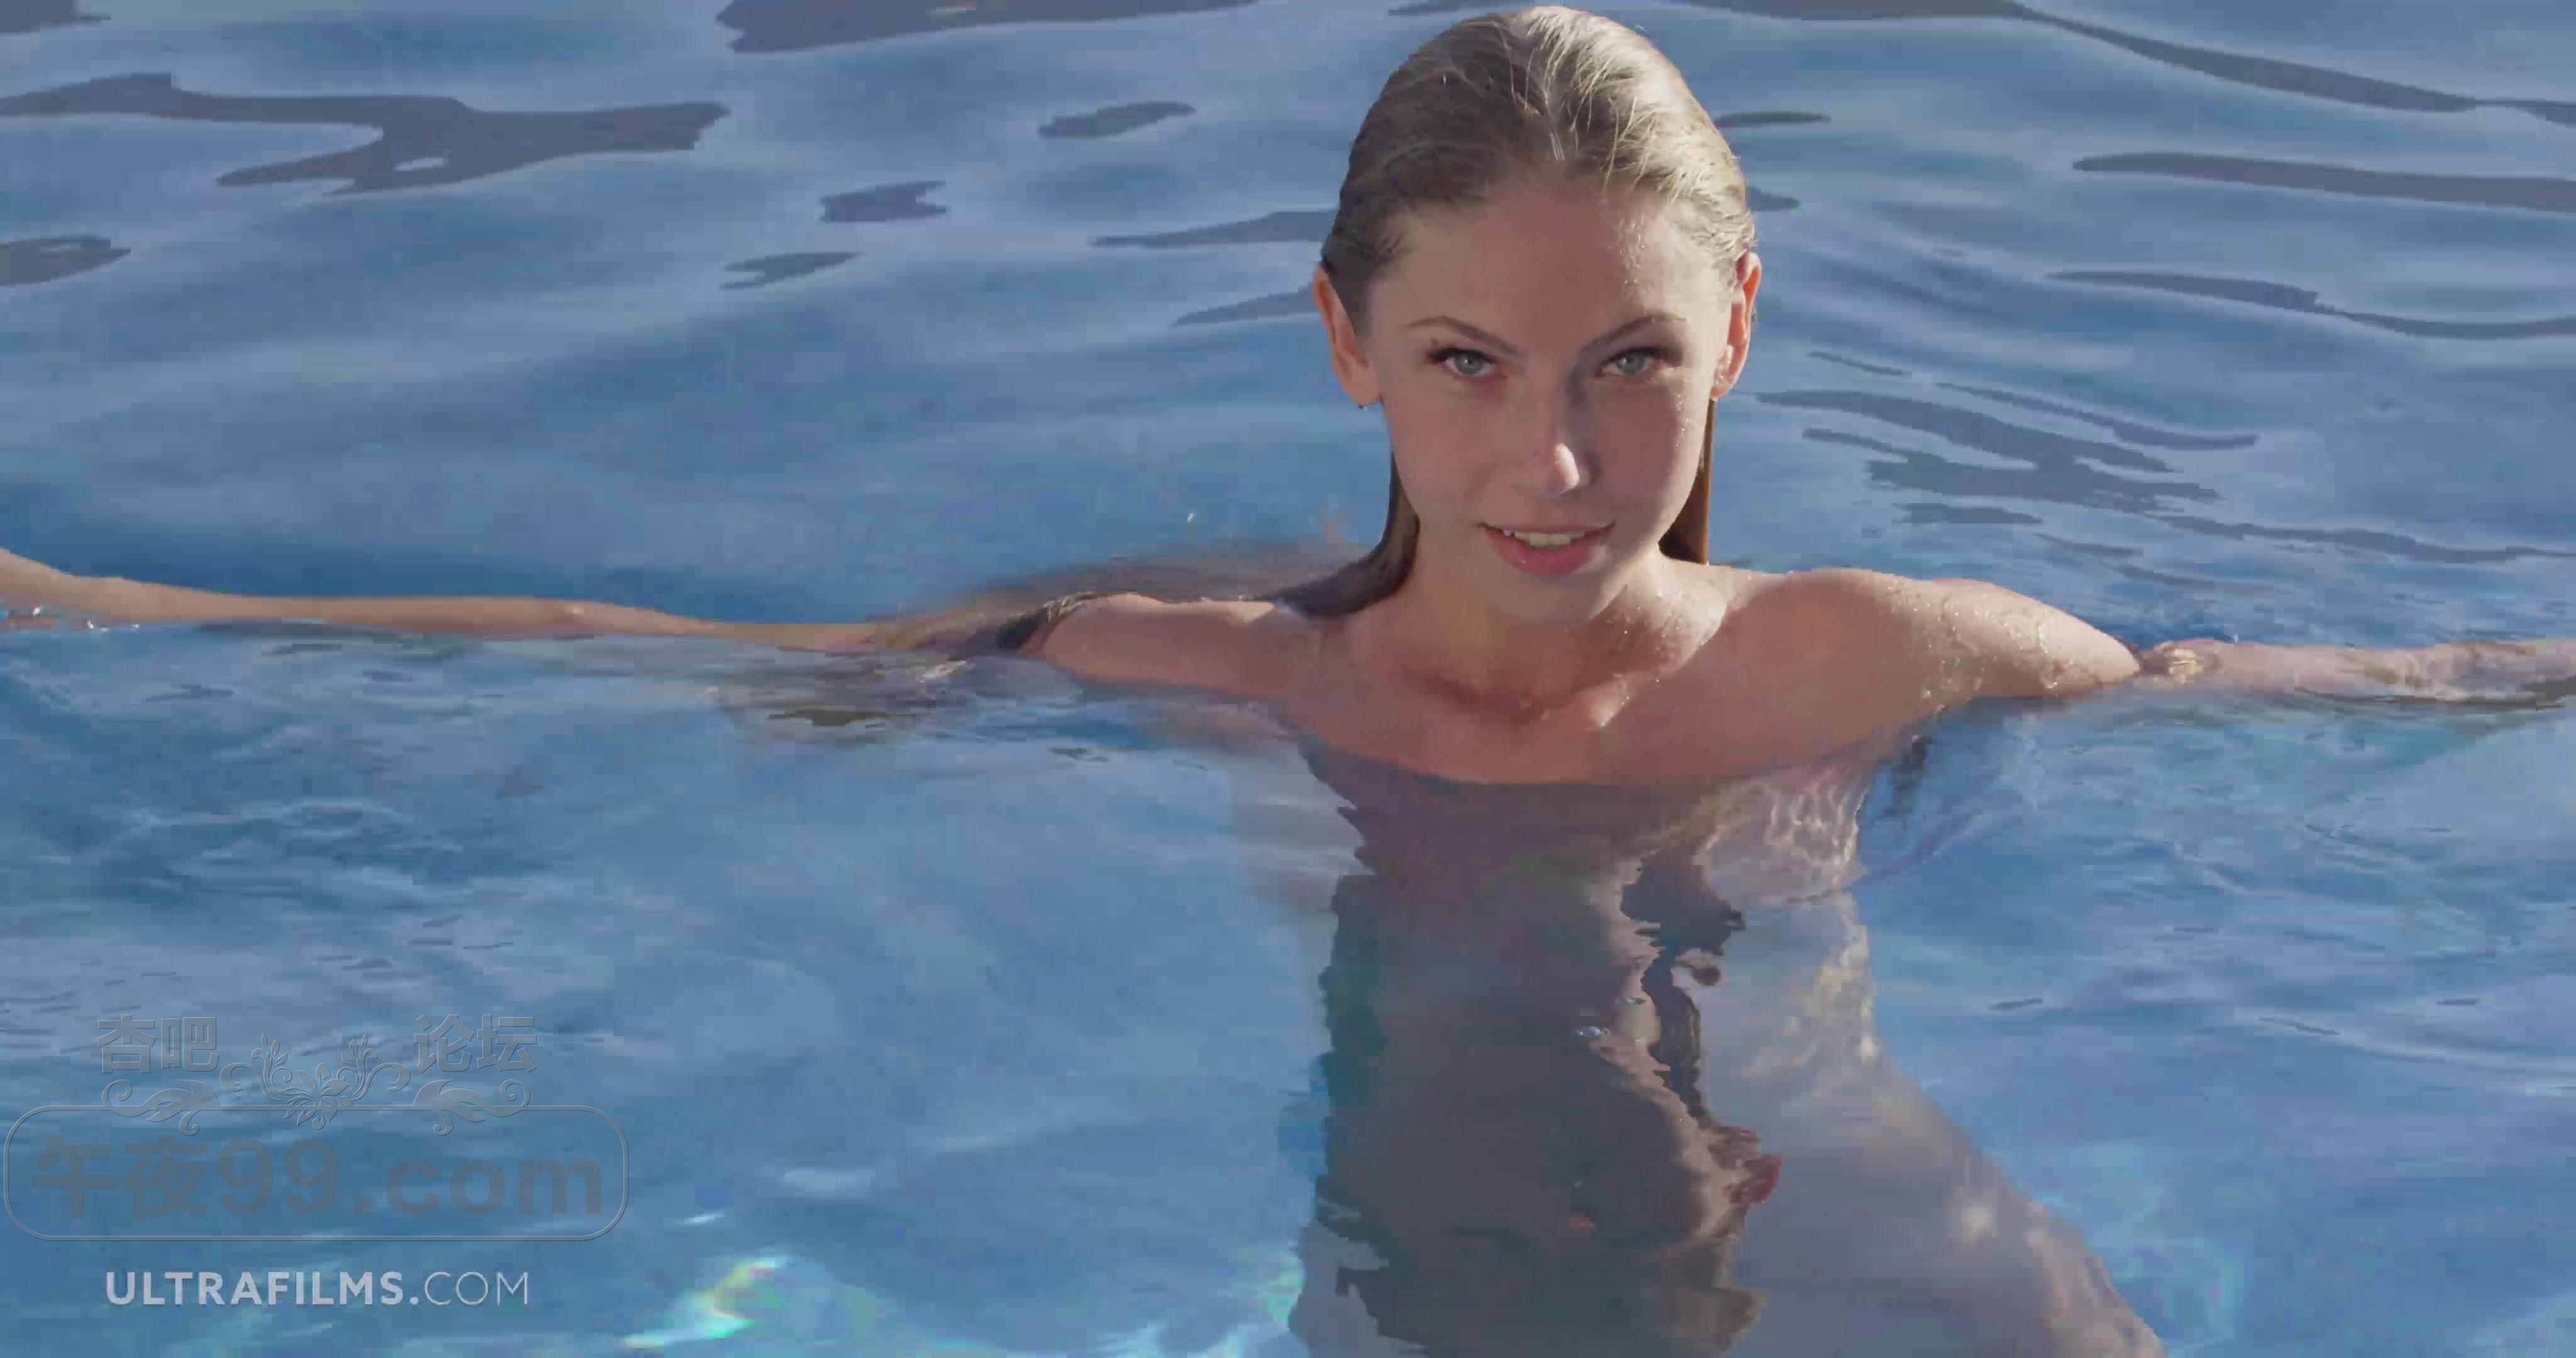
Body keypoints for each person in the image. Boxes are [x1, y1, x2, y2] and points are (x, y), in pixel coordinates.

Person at [2, 7, 2568, 1353]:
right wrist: (107, 617)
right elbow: (666, 667)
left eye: (1632, 364)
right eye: (1468, 364)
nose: (1557, 462)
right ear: (1344, 342)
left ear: (1740, 333)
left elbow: (2335, 681)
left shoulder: (1867, 658)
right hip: (1443, 1273)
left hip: (1884, 1255)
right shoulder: (1221, 671)